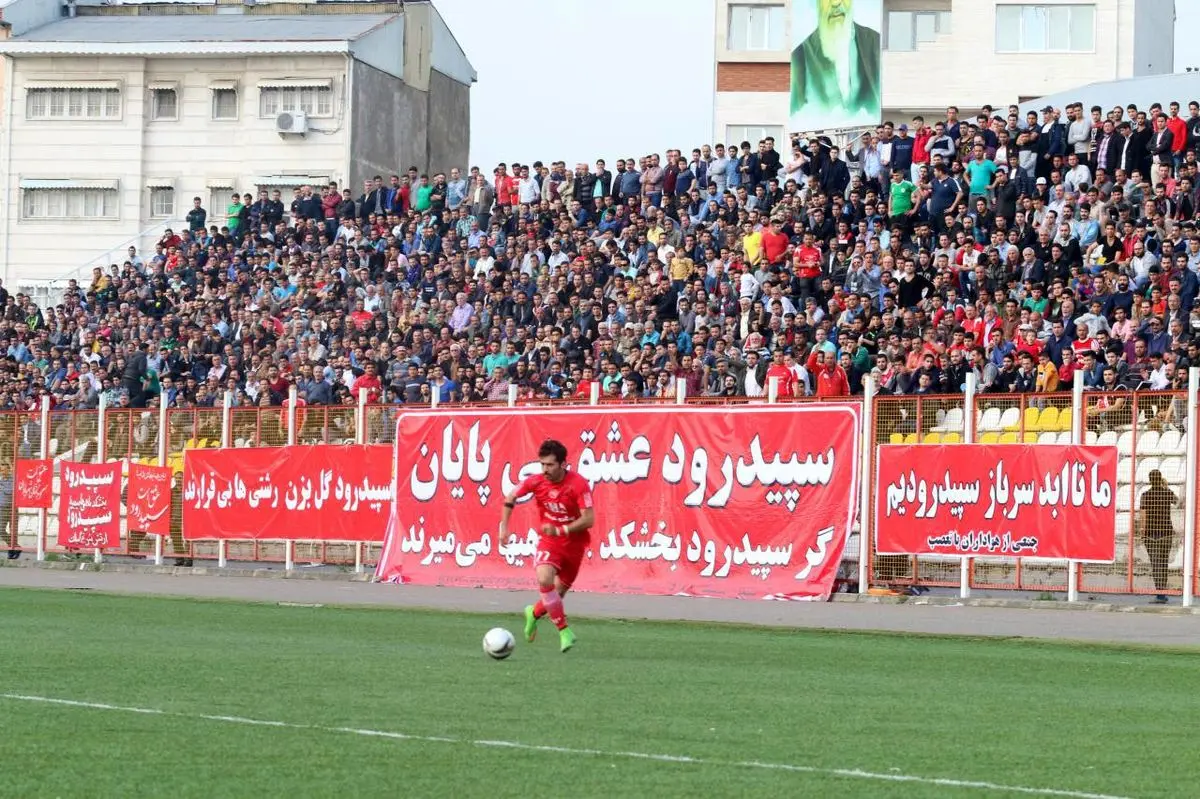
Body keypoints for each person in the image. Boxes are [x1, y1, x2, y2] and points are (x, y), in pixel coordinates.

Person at [498, 438, 595, 653]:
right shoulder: (536, 481)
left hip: (574, 544)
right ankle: (564, 631)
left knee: (556, 595)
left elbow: (589, 519)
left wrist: (562, 529)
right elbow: (511, 496)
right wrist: (504, 526)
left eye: (550, 465)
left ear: (563, 464)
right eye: (542, 464)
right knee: (544, 579)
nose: (545, 469)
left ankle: (532, 613)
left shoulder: (578, 485)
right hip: (549, 541)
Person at [789, 0, 881, 126]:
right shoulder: (801, 54)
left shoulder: (875, 41)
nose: (836, 3)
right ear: (817, 3)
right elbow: (797, 113)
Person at [1137, 469, 1177, 604]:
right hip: (1166, 533)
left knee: (1156, 564)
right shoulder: (1167, 493)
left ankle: (1160, 594)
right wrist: (1166, 487)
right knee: (1163, 563)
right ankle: (1162, 593)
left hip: (1151, 534)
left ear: (1149, 480)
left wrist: (1142, 533)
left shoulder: (1145, 495)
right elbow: (1178, 501)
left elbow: (1143, 515)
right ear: (1160, 479)